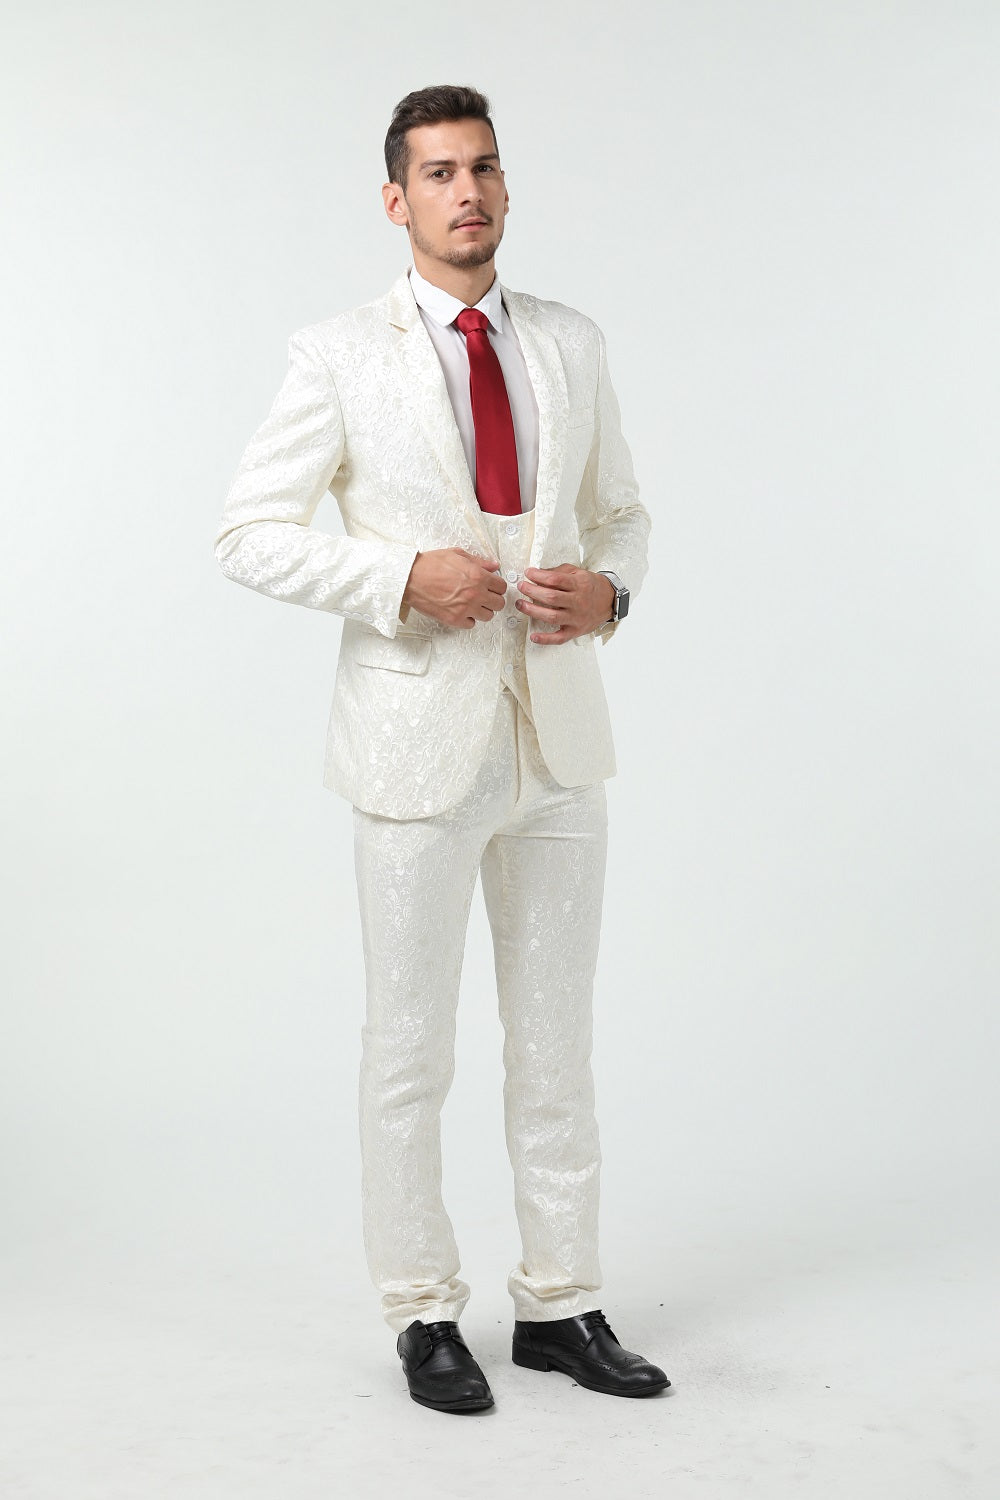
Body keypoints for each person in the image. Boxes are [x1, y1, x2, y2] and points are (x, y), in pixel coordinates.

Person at [214, 84, 669, 1414]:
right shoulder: (336, 354)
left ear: (506, 188)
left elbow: (623, 514)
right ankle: (422, 1310)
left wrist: (612, 592)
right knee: (410, 1050)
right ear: (395, 199)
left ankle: (561, 1302)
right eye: (438, 172)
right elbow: (246, 532)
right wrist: (400, 577)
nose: (466, 192)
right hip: (414, 744)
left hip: (558, 738)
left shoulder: (569, 342)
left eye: (484, 168)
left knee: (558, 1044)